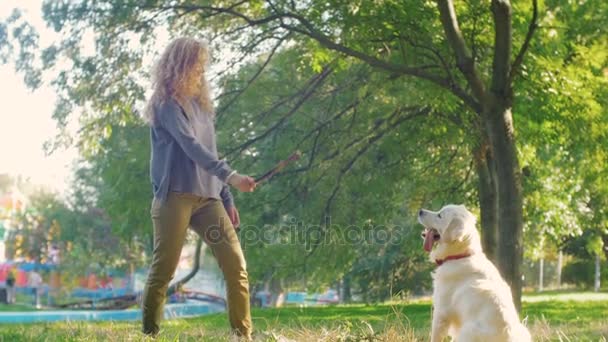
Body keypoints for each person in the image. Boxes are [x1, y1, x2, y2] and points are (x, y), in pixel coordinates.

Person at [141, 37, 257, 340]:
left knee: (236, 266)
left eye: (203, 65)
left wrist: (226, 196)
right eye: (196, 64)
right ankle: (149, 334)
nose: (201, 71)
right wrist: (232, 176)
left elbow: (211, 150)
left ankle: (241, 335)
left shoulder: (203, 107)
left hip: (209, 199)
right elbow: (191, 147)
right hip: (174, 197)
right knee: (163, 271)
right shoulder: (166, 105)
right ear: (180, 65)